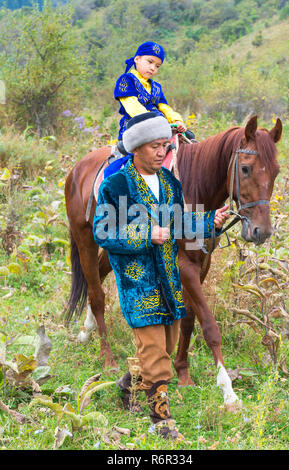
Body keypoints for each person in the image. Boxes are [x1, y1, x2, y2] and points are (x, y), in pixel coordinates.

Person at [93, 112, 229, 441]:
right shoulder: (117, 184)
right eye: (155, 146)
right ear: (137, 148)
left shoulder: (170, 183)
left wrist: (209, 221)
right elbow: (102, 230)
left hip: (168, 281)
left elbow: (179, 225)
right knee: (156, 354)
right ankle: (161, 422)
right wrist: (144, 234)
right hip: (139, 284)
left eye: (165, 146)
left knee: (164, 346)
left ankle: (127, 383)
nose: (162, 153)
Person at [114, 41, 193, 155]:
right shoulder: (126, 80)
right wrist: (155, 122)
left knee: (189, 138)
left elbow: (165, 107)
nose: (153, 68)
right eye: (150, 62)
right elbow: (132, 107)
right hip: (137, 125)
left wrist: (176, 121)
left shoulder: (156, 87)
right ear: (137, 59)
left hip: (161, 125)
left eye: (157, 66)